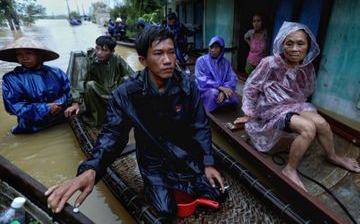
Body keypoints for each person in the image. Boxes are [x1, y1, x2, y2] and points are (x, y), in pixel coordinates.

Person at [46, 26, 225, 221]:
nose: (167, 60)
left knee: (217, 194)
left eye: (171, 52)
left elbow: (200, 126)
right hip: (155, 163)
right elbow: (113, 135)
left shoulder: (188, 85)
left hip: (186, 156)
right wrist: (92, 169)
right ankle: (153, 186)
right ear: (143, 60)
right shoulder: (127, 93)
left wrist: (208, 163)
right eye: (158, 53)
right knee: (166, 211)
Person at [234, 21, 360, 190]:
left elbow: (305, 91)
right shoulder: (269, 62)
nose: (294, 49)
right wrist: (249, 113)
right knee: (308, 129)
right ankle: (290, 169)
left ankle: (333, 156)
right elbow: (251, 88)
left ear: (308, 46)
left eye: (300, 43)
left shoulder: (306, 67)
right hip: (271, 108)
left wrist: (294, 103)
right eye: (289, 43)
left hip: (294, 104)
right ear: (281, 44)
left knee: (322, 124)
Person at [0, 37, 70, 134]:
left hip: (61, 121)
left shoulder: (56, 72)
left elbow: (70, 92)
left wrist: (58, 105)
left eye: (29, 53)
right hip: (32, 128)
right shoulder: (11, 79)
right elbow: (14, 107)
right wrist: (46, 108)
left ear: (39, 55)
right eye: (19, 54)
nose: (24, 58)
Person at [64, 35, 132, 127]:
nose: (99, 53)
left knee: (127, 80)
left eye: (104, 50)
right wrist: (76, 102)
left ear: (112, 52)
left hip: (113, 93)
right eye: (97, 48)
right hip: (96, 94)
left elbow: (132, 76)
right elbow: (81, 80)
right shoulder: (89, 59)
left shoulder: (117, 59)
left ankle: (122, 113)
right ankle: (98, 120)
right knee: (90, 85)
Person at [195, 35, 239, 112]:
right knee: (213, 93)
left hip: (223, 89)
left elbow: (232, 78)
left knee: (232, 96)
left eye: (216, 47)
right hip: (206, 89)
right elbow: (202, 79)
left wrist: (224, 91)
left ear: (221, 49)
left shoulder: (225, 62)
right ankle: (211, 108)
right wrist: (220, 87)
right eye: (211, 47)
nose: (213, 50)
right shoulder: (201, 60)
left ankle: (219, 105)